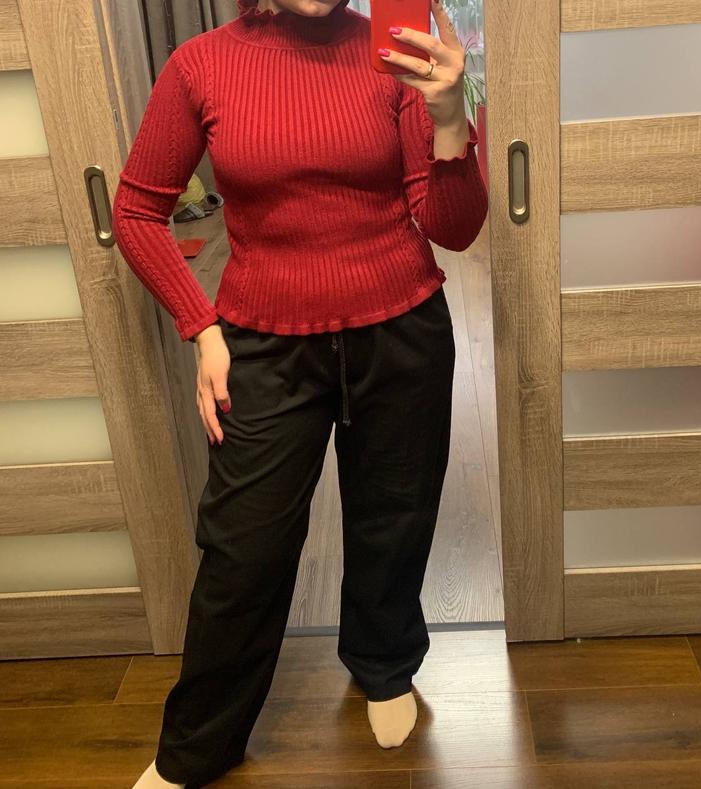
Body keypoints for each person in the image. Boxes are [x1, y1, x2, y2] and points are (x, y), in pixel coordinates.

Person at [112, 0, 487, 785]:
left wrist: (451, 115)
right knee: (242, 549)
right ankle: (196, 747)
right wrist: (201, 327)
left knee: (396, 516)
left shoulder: (391, 55)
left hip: (402, 332)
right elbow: (138, 210)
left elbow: (452, 227)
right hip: (265, 341)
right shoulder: (201, 65)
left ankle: (384, 663)